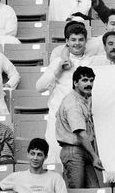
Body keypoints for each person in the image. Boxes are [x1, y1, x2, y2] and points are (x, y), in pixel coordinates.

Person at [36, 22, 96, 164]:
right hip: (58, 118)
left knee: (79, 163)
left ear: (86, 41)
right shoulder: (58, 61)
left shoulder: (91, 62)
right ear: (67, 42)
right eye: (73, 40)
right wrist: (59, 70)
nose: (77, 43)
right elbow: (39, 87)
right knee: (54, 160)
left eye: (81, 39)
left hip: (81, 120)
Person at [56, 66, 103, 188]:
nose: (89, 84)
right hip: (74, 151)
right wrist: (95, 156)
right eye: (85, 80)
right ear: (75, 83)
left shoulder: (84, 98)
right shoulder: (73, 104)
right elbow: (81, 134)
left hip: (84, 150)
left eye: (91, 80)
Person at [0, 138, 69, 193]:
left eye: (39, 154)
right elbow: (0, 185)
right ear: (28, 154)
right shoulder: (17, 177)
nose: (35, 158)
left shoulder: (55, 177)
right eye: (32, 153)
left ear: (45, 157)